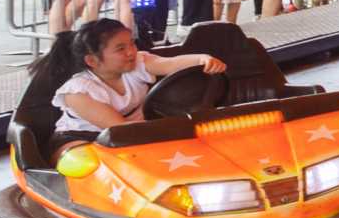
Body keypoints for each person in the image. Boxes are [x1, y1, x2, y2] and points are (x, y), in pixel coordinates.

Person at [47, 19, 226, 148]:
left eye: (132, 44)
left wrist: (202, 59)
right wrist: (178, 130)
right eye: (120, 49)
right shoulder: (78, 92)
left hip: (132, 135)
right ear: (92, 61)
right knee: (90, 164)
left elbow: (170, 63)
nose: (131, 52)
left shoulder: (138, 64)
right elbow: (119, 128)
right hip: (81, 139)